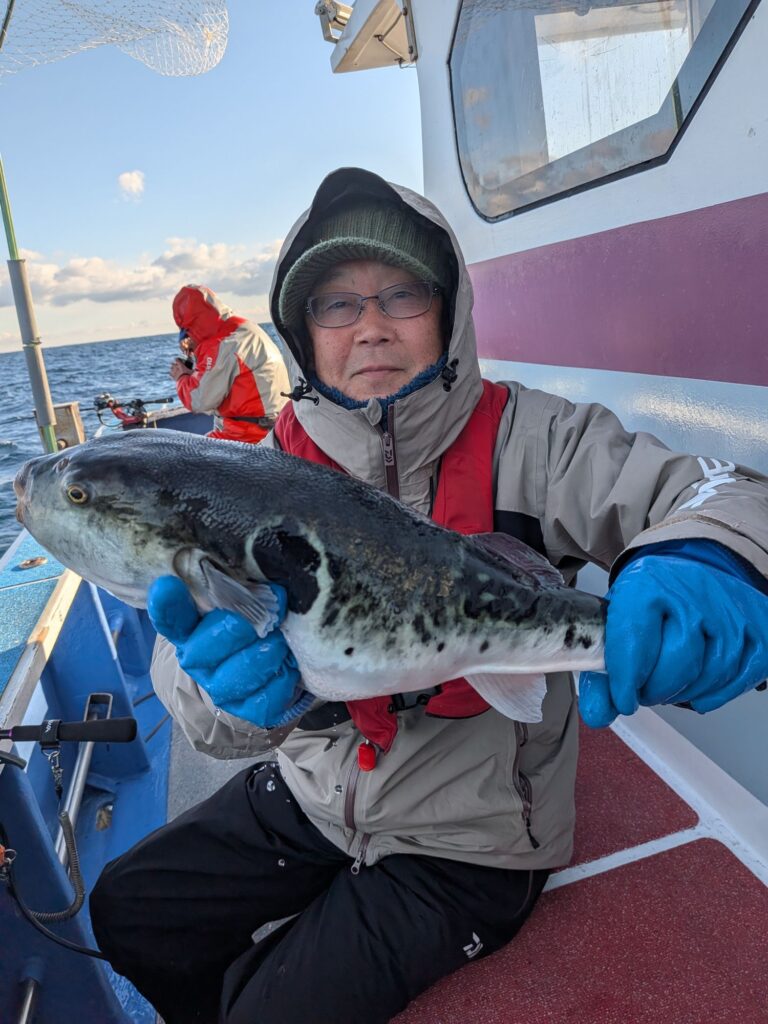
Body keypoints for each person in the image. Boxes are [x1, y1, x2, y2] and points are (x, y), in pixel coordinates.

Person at [90, 168, 768, 1024]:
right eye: (337, 304)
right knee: (129, 908)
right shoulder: (262, 475)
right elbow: (191, 691)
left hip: (474, 834)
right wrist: (219, 689)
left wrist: (711, 555)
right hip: (318, 795)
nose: (370, 326)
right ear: (302, 332)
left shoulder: (538, 440)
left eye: (402, 295)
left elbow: (719, 490)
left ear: (448, 312)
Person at [170, 284, 291, 443]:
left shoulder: (222, 344)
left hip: (251, 435)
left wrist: (182, 377)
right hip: (274, 426)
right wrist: (194, 366)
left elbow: (199, 400)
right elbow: (218, 377)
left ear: (194, 326)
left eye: (189, 332)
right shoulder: (242, 329)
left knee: (184, 453)